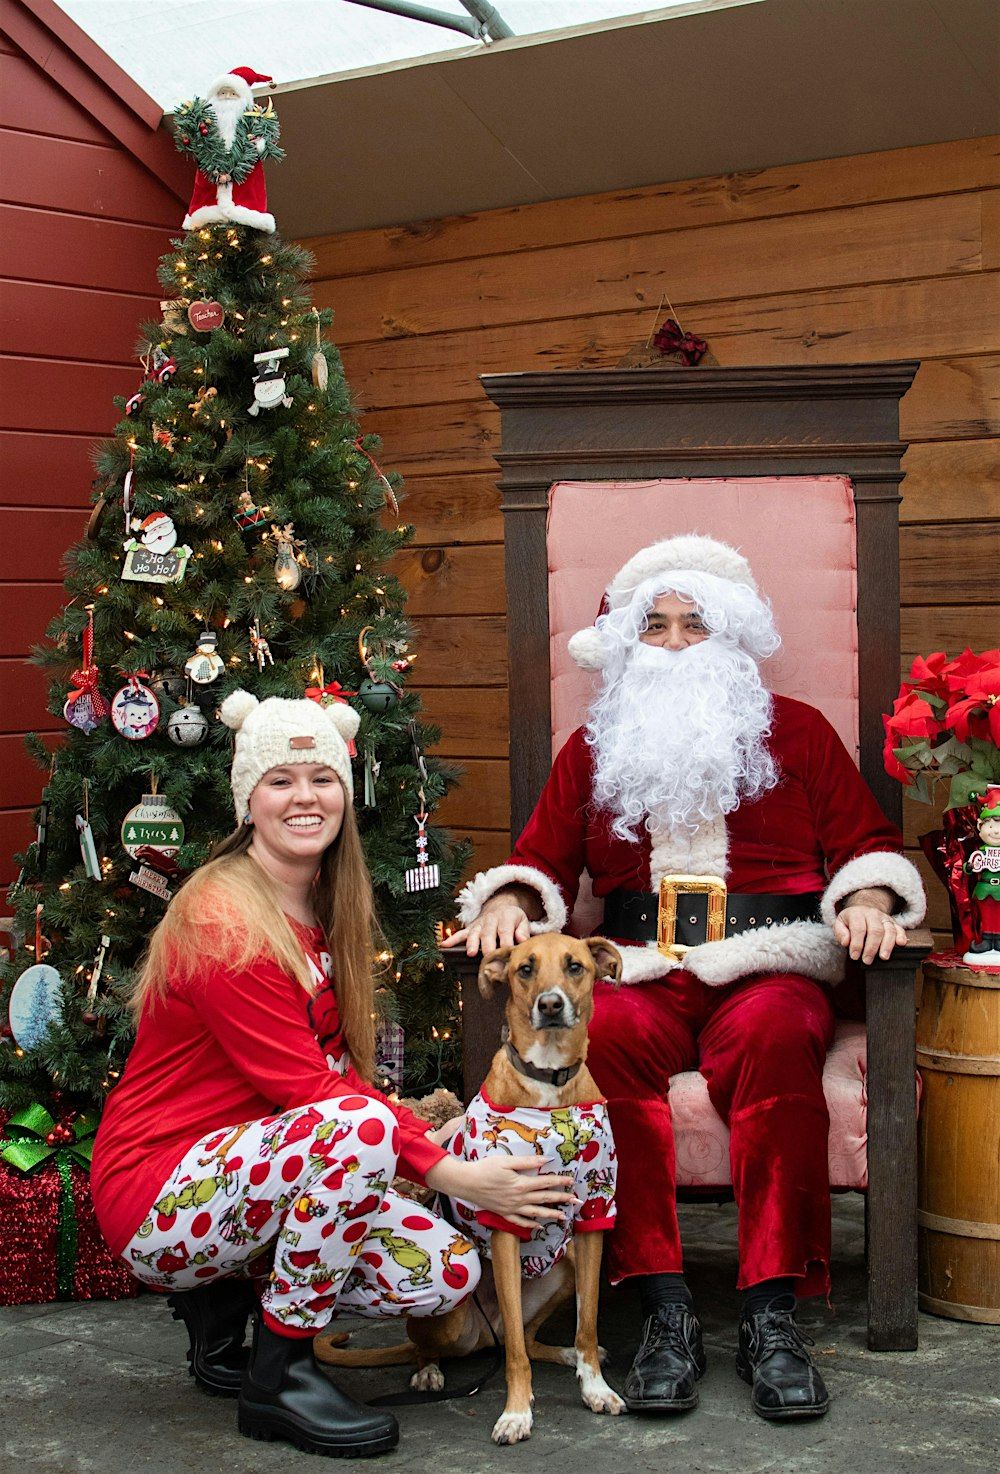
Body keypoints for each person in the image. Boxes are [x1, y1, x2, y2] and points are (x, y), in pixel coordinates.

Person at [446, 535, 925, 1423]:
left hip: (768, 961)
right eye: (655, 627)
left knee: (779, 1038)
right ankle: (664, 1308)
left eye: (694, 625)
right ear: (630, 643)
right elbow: (538, 859)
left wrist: (864, 897)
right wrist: (510, 900)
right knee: (610, 1043)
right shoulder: (596, 747)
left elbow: (866, 846)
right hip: (639, 966)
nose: (673, 644)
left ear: (732, 637)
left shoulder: (800, 733)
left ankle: (771, 1313)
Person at [91, 689, 573, 1459]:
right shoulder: (224, 920)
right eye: (281, 780)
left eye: (322, 779)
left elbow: (333, 1078)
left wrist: (425, 1136)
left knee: (442, 1272)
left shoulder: (323, 907)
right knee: (361, 1128)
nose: (305, 797)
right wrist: (453, 1174)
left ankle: (235, 1299)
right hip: (159, 1188)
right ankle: (278, 1377)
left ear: (344, 794)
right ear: (248, 797)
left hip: (259, 1167)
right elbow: (317, 1098)